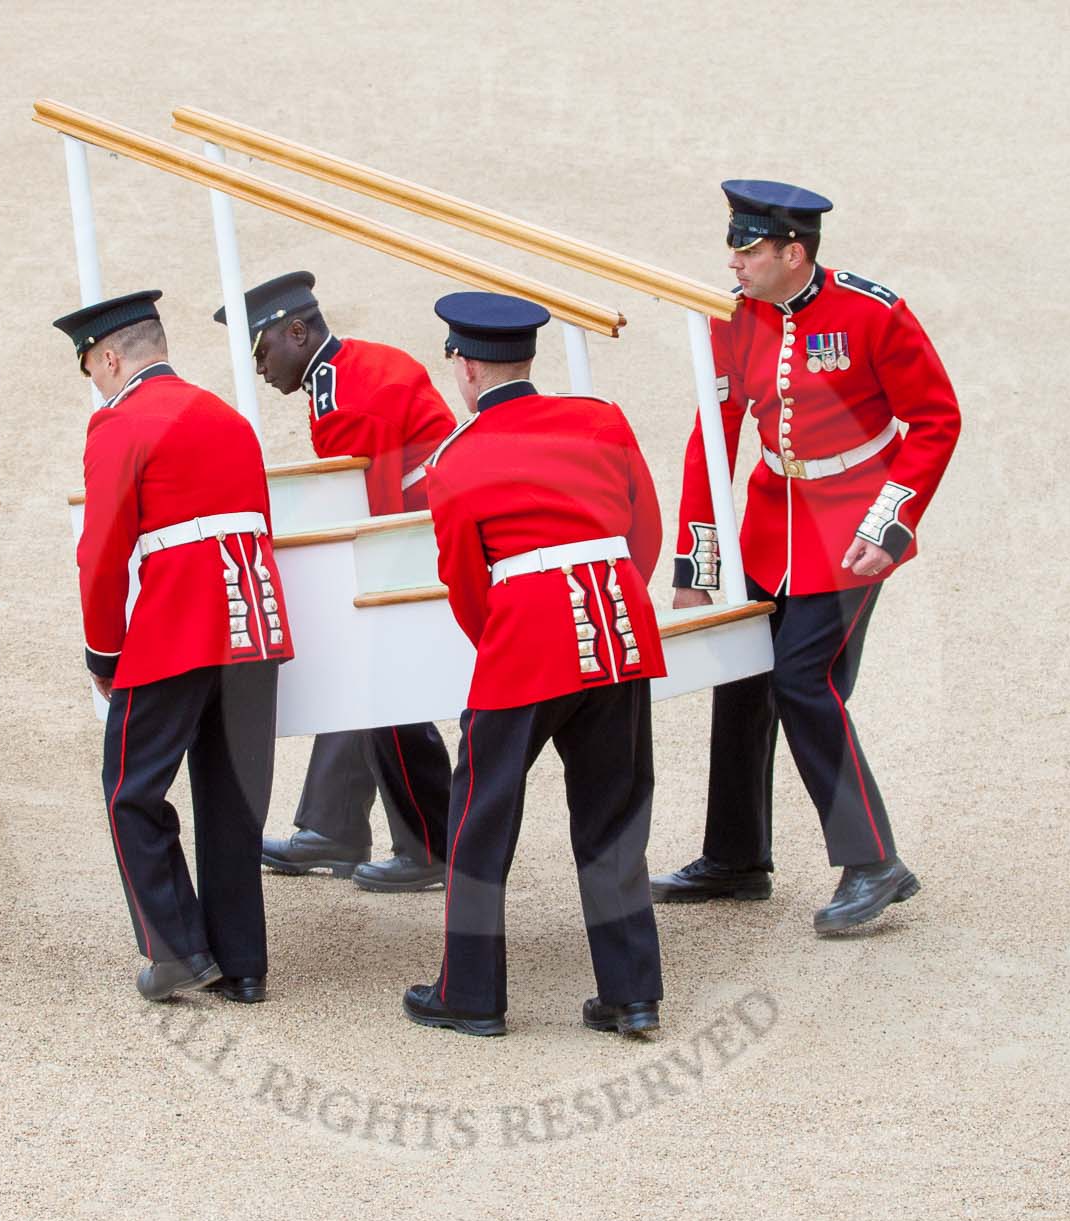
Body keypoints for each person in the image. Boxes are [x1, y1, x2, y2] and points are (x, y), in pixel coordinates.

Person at [652, 180, 961, 934]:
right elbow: (715, 432)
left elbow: (935, 420)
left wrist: (889, 522)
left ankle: (873, 859)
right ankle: (736, 857)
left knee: (804, 680)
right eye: (733, 245)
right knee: (746, 681)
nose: (734, 260)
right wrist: (699, 563)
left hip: (849, 524)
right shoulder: (734, 317)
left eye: (749, 248)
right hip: (772, 515)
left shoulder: (872, 313)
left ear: (794, 252)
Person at [401, 291, 667, 1038]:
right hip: (617, 629)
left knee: (480, 822)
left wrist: (510, 638)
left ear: (466, 365)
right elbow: (642, 531)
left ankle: (473, 994)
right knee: (614, 820)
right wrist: (611, 602)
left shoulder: (453, 459)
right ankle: (631, 992)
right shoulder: (601, 418)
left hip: (526, 642)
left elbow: (464, 582)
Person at [56, 289, 294, 1005]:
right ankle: (242, 962)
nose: (95, 382)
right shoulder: (228, 416)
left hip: (177, 628)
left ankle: (177, 949)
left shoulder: (118, 425)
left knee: (131, 790)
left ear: (109, 356)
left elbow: (100, 555)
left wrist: (105, 651)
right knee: (232, 798)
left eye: (91, 368)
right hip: (253, 626)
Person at [213, 271, 454, 892]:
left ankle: (430, 842)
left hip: (412, 541)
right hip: (425, 526)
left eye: (263, 351)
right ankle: (334, 824)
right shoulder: (361, 365)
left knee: (384, 689)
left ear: (297, 331)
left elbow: (362, 507)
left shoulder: (343, 399)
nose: (261, 371)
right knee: (369, 680)